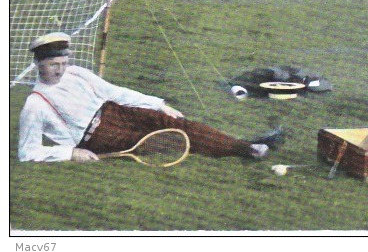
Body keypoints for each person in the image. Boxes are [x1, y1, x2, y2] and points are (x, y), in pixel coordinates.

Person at [17, 33, 282, 162]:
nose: (60, 69)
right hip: (97, 137)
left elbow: (114, 93)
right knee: (171, 141)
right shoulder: (35, 103)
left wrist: (158, 104)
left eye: (63, 62)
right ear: (39, 65)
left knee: (179, 123)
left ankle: (246, 145)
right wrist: (70, 153)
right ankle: (246, 150)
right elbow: (27, 152)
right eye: (54, 64)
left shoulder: (76, 73)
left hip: (116, 111)